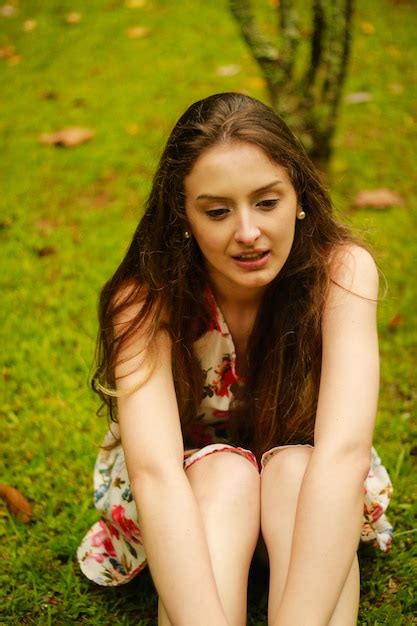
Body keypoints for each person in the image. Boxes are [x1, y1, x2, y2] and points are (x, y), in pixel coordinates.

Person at [77, 92, 393, 626]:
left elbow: (343, 452)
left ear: (299, 196)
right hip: (192, 504)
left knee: (296, 467)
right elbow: (155, 474)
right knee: (226, 475)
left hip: (311, 493)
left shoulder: (341, 273)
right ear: (183, 213)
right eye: (218, 212)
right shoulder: (146, 299)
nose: (247, 233)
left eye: (267, 202)